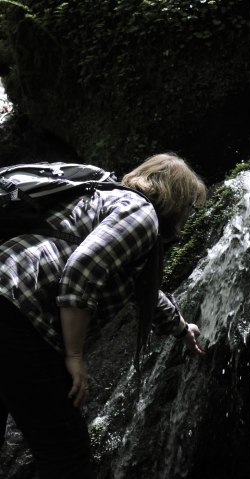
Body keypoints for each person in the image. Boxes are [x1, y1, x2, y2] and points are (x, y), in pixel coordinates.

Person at [0, 152, 207, 478]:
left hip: (7, 293)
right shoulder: (142, 216)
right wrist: (75, 355)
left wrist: (181, 329)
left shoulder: (105, 197)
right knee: (66, 452)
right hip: (17, 313)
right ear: (176, 198)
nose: (189, 217)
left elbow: (145, 293)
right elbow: (82, 269)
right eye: (191, 207)